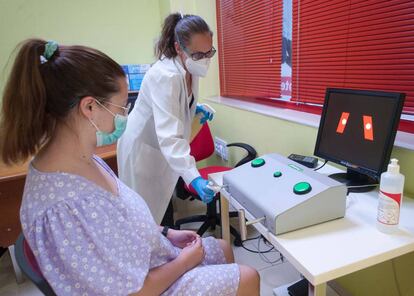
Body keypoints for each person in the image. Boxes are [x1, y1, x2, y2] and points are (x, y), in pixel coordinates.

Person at [0, 39, 259, 295]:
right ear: (89, 107)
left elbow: (121, 220)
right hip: (142, 287)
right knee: (248, 276)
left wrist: (167, 232)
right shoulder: (62, 208)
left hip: (145, 260)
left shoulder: (87, 160)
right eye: (122, 107)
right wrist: (184, 262)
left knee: (222, 248)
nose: (125, 115)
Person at [117, 13, 218, 223]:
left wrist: (192, 106)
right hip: (143, 151)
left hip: (159, 149)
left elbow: (175, 101)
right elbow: (170, 138)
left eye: (210, 52)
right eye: (199, 55)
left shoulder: (190, 66)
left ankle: (171, 250)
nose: (205, 60)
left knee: (163, 209)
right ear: (179, 48)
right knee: (146, 217)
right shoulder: (165, 75)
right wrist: (194, 177)